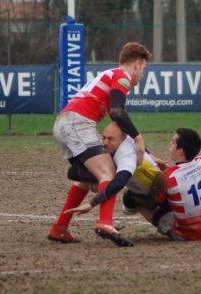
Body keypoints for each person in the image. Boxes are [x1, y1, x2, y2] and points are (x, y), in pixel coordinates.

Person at [67, 125, 201, 240]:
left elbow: (154, 201)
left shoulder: (168, 178)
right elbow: (197, 169)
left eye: (173, 143)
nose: (169, 145)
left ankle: (131, 205)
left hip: (186, 233)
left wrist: (133, 199)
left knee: (140, 202)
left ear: (180, 151)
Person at [49, 42, 151, 247]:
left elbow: (116, 123)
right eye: (144, 69)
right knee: (108, 173)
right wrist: (138, 138)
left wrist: (142, 149)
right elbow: (117, 112)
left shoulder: (112, 74)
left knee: (88, 180)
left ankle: (59, 228)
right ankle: (105, 222)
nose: (142, 74)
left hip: (65, 123)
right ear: (138, 63)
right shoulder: (123, 77)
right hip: (78, 122)